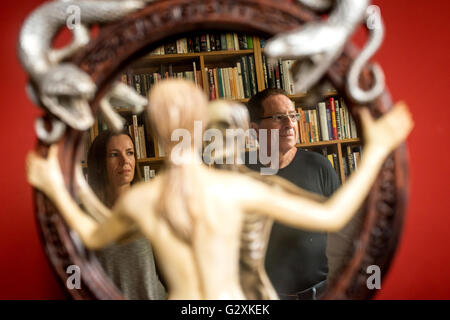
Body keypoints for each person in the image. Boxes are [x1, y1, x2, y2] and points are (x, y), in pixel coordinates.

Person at [26, 79, 413, 300]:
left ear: (156, 135)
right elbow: (335, 214)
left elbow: (89, 232)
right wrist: (377, 149)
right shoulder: (234, 188)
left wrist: (53, 185)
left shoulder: (147, 198)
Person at [246, 88, 341, 299]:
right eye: (279, 117)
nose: (289, 124)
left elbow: (344, 229)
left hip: (322, 292)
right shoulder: (239, 172)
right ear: (254, 130)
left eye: (292, 116)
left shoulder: (319, 166)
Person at [86, 130, 167, 300]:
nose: (125, 161)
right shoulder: (85, 216)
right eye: (114, 155)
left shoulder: (151, 207)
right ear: (99, 165)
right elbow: (76, 275)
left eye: (130, 153)